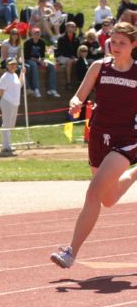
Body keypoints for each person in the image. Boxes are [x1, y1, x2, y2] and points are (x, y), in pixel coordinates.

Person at [50, 22, 137, 268]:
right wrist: (76, 103)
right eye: (113, 41)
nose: (116, 46)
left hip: (126, 140)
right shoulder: (99, 67)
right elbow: (79, 95)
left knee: (93, 192)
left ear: (133, 45)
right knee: (107, 199)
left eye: (122, 42)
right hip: (98, 136)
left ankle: (70, 252)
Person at [0, 57, 23, 158]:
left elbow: (19, 85)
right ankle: (6, 146)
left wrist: (23, 74)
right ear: (7, 65)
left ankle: (8, 144)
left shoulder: (15, 75)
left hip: (15, 103)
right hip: (7, 102)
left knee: (11, 124)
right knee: (6, 124)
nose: (13, 66)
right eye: (11, 64)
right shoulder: (5, 77)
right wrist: (8, 98)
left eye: (15, 64)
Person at [23, 28, 60, 98]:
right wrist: (38, 61)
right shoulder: (27, 42)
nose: (37, 35)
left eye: (38, 34)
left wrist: (42, 61)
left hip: (37, 60)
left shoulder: (42, 42)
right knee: (34, 65)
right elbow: (26, 56)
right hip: (28, 60)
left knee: (51, 65)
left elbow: (42, 56)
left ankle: (52, 89)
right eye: (35, 34)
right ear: (32, 34)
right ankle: (35, 89)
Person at [55, 22, 81, 88]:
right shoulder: (61, 38)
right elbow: (62, 51)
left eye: (74, 26)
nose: (73, 28)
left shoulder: (77, 39)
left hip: (72, 57)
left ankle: (80, 81)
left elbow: (78, 50)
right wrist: (72, 57)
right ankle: (68, 82)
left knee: (81, 61)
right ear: (66, 28)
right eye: (71, 26)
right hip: (62, 56)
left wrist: (77, 57)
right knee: (69, 61)